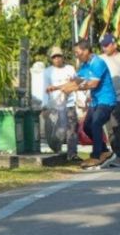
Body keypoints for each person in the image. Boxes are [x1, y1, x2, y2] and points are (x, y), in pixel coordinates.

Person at [49, 39, 116, 168]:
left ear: (86, 51)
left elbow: (93, 83)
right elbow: (76, 81)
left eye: (77, 52)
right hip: (95, 102)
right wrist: (57, 87)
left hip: (107, 101)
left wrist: (74, 88)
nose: (76, 55)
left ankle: (96, 157)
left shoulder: (98, 63)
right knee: (86, 127)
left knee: (96, 123)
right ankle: (104, 152)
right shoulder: (84, 66)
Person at [43, 46, 80, 162]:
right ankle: (57, 151)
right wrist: (45, 106)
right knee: (57, 130)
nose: (57, 59)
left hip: (69, 103)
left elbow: (76, 83)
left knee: (72, 129)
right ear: (51, 59)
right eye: (54, 57)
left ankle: (72, 154)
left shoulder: (70, 69)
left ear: (63, 57)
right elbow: (45, 89)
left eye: (59, 56)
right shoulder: (47, 72)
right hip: (55, 105)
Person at [98, 34, 120, 157]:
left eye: (106, 45)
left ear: (114, 44)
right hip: (105, 100)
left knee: (116, 124)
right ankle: (116, 153)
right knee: (110, 127)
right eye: (102, 46)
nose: (104, 48)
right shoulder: (100, 59)